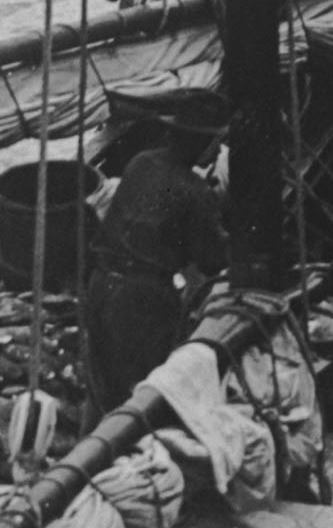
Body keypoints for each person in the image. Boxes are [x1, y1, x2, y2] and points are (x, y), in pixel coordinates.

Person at [81, 117, 228, 414]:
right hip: (140, 301)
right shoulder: (195, 191)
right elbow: (212, 261)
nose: (214, 152)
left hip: (100, 282)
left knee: (102, 386)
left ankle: (94, 444)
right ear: (203, 145)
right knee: (148, 392)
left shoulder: (141, 161)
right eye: (213, 145)